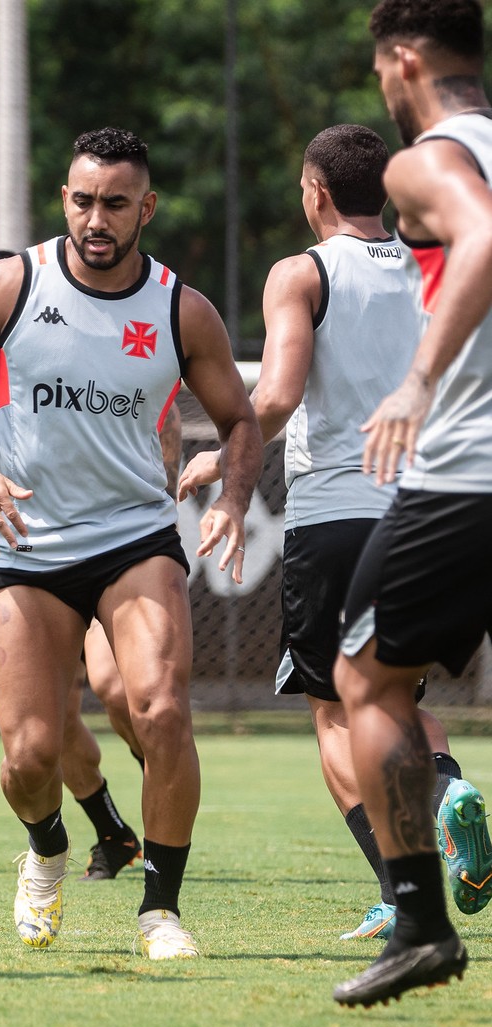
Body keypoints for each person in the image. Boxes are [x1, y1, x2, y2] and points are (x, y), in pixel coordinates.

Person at [0, 127, 263, 960]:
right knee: (30, 758)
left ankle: (161, 910)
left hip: (135, 535)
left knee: (161, 710)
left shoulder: (183, 310)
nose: (96, 218)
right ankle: (47, 851)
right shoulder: (12, 283)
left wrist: (234, 497)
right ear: (63, 199)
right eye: (82, 200)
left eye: (114, 203)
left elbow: (242, 420)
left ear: (146, 208)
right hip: (29, 547)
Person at [179, 123, 490, 943]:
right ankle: (451, 786)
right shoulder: (439, 263)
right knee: (398, 697)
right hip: (424, 508)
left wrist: (221, 456)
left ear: (314, 191)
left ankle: (399, 889)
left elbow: (275, 396)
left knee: (334, 714)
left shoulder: (303, 273)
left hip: (334, 517)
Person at [0, 253, 184, 882]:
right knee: (44, 740)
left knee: (124, 690)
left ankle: (161, 804)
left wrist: (158, 495)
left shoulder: (48, 349)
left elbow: (163, 418)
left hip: (115, 548)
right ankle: (110, 831)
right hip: (32, 563)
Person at [331, 0, 492, 1007]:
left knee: (366, 683)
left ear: (403, 61)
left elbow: (483, 236)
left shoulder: (422, 160)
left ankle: (419, 923)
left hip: (468, 469)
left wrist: (421, 379)